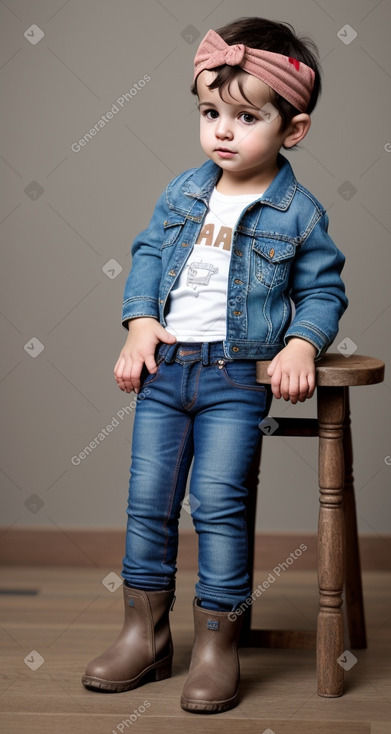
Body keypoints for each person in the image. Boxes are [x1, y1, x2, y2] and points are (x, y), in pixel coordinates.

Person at [82, 16, 348, 714]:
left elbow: (322, 290)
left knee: (221, 507)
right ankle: (143, 632)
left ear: (292, 130)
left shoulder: (296, 213)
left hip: (234, 378)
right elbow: (146, 257)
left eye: (245, 116)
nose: (222, 130)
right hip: (165, 373)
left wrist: (299, 343)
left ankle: (215, 640)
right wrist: (140, 325)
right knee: (148, 506)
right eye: (209, 112)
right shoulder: (181, 193)